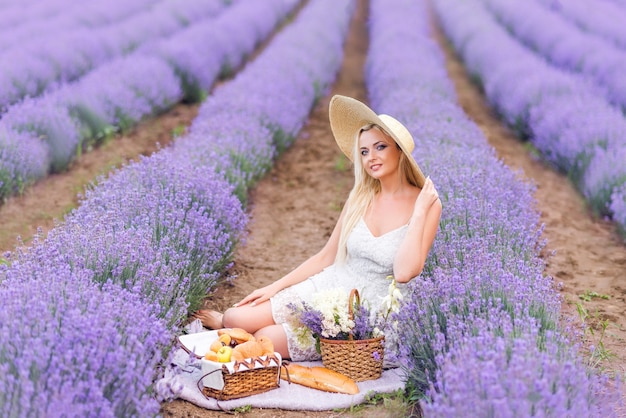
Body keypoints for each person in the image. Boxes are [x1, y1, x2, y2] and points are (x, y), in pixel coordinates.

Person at [193, 95, 441, 361]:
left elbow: (404, 273)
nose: (371, 158)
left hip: (363, 314)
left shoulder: (427, 205)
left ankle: (241, 334)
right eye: (364, 152)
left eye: (380, 147)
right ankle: (228, 325)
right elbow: (326, 256)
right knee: (235, 317)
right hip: (330, 286)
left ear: (399, 151)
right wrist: (273, 288)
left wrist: (418, 211)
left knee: (266, 337)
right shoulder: (360, 198)